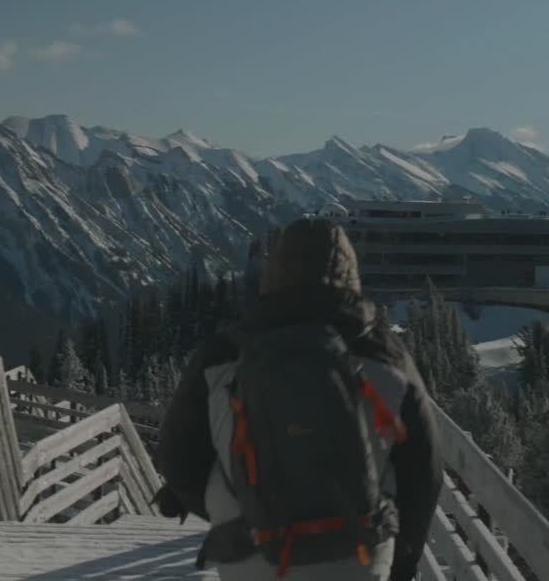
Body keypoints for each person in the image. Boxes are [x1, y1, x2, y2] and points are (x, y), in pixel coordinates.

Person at [156, 218, 442, 581]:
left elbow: (177, 457)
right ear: (350, 275)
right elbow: (424, 470)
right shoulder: (388, 358)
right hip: (358, 554)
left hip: (250, 553)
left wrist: (235, 511)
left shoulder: (223, 355)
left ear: (274, 274)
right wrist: (403, 563)